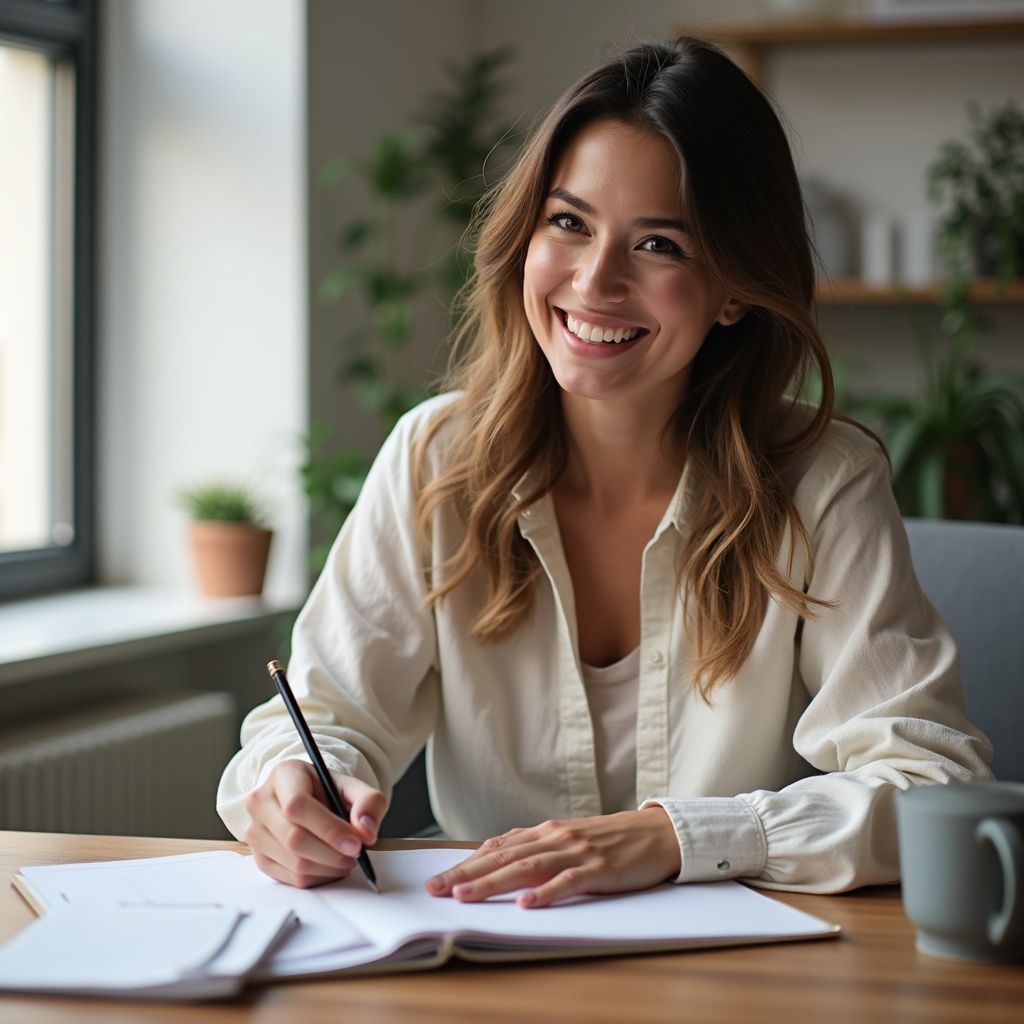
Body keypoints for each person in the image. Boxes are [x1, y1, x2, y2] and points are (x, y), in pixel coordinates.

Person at [217, 37, 992, 905]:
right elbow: (326, 719)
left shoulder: (824, 481)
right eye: (569, 223)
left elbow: (933, 783)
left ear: (735, 286)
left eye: (658, 244)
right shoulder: (435, 458)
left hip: (737, 978)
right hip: (480, 943)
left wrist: (677, 835)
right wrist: (294, 788)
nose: (594, 281)